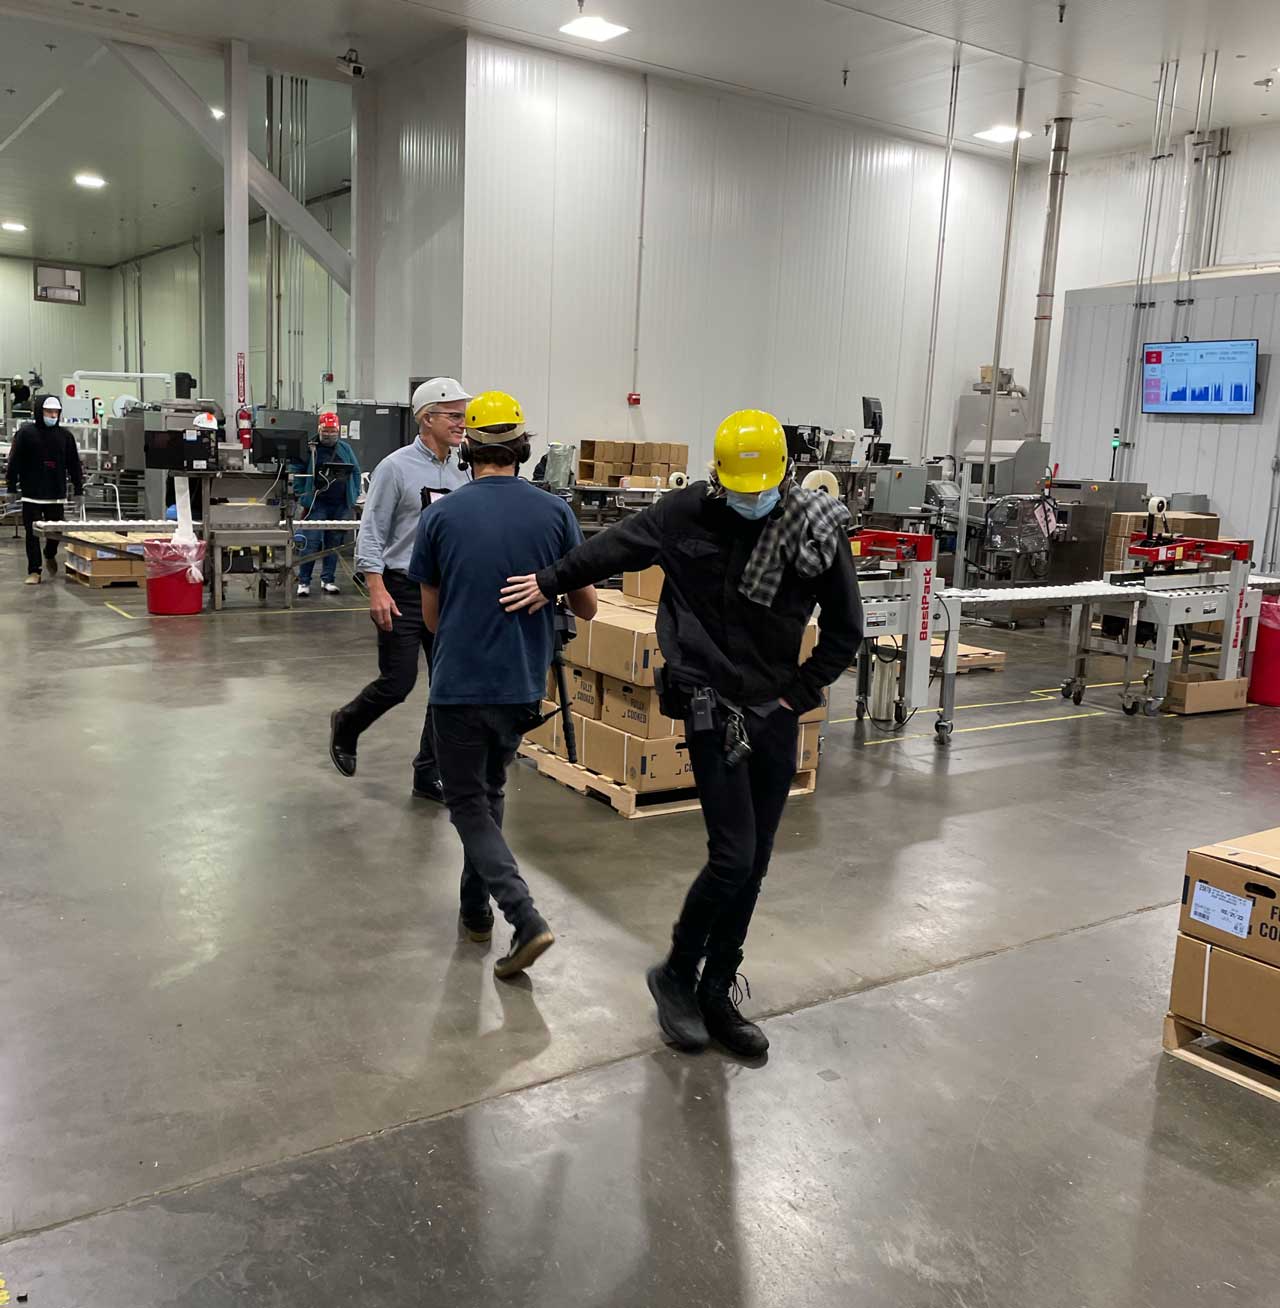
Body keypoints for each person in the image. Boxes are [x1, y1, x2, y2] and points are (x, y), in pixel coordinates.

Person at [502, 410, 863, 1055]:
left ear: (783, 475)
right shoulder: (685, 513)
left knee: (756, 861)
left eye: (763, 490)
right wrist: (549, 582)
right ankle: (676, 973)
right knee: (733, 856)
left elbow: (844, 631)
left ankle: (716, 990)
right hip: (708, 700)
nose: (753, 501)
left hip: (774, 711)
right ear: (717, 476)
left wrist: (794, 696)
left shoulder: (812, 529)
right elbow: (612, 548)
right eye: (741, 490)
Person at [409, 390, 596, 977]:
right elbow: (587, 607)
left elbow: (431, 619)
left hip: (459, 685)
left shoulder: (440, 516)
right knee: (488, 795)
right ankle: (476, 913)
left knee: (467, 802)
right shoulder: (556, 513)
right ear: (522, 447)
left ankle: (524, 915)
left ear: (469, 449)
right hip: (520, 685)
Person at [328, 378, 473, 802]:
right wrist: (376, 587)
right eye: (454, 416)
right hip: (403, 587)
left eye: (463, 416)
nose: (462, 424)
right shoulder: (395, 468)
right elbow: (372, 531)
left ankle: (428, 772)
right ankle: (348, 722)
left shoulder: (465, 469)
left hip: (447, 591)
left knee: (447, 686)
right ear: (426, 418)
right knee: (398, 681)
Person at [6, 394, 83, 585]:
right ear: (40, 411)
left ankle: (49, 553)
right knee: (32, 534)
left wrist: (78, 490)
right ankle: (34, 571)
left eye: (56, 412)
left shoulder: (65, 436)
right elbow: (15, 461)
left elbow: (74, 464)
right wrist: (11, 486)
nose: (53, 415)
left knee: (56, 532)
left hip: (56, 494)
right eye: (49, 411)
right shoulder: (25, 434)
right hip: (31, 494)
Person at [294, 410, 361, 597]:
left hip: (340, 504)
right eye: (326, 431)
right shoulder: (310, 448)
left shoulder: (345, 449)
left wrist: (354, 494)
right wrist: (302, 494)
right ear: (319, 429)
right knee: (311, 542)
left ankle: (328, 579)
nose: (329, 434)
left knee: (334, 544)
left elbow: (355, 471)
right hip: (317, 504)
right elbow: (298, 469)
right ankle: (304, 582)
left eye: (333, 431)